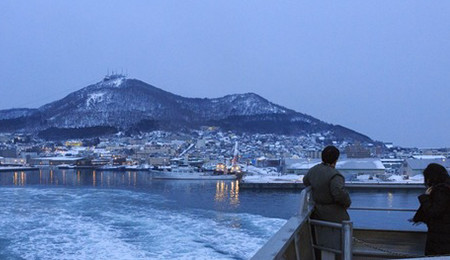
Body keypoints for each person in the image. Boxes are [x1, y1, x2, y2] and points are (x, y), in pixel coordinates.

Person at [303, 145, 351, 223]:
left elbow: (305, 181)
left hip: (316, 213)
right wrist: (347, 203)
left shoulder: (313, 170)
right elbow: (339, 193)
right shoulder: (335, 175)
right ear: (336, 160)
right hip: (333, 216)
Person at [412, 163, 450, 256]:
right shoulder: (447, 187)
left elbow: (434, 212)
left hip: (440, 234)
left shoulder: (441, 190)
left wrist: (425, 198)